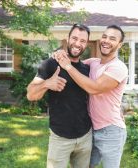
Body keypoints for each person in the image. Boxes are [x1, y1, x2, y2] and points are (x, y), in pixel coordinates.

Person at [54, 25, 128, 168]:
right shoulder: (93, 62)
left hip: (111, 131)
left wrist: (68, 67)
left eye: (112, 39)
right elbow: (75, 60)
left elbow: (94, 88)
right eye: (104, 36)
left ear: (119, 45)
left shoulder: (118, 67)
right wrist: (59, 53)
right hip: (91, 129)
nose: (106, 41)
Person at [26, 24, 92, 168]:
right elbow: (30, 94)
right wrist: (47, 83)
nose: (77, 44)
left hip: (85, 136)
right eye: (74, 38)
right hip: (60, 137)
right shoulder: (51, 64)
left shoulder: (87, 69)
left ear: (86, 44)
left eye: (82, 41)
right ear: (67, 39)